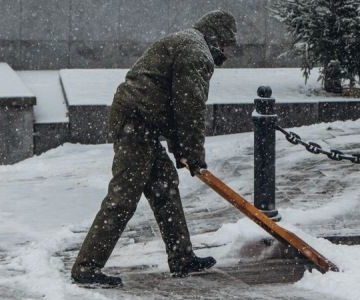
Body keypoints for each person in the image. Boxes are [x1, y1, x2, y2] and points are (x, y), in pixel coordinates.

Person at [70, 10, 238, 287]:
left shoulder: (188, 44)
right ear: (216, 38)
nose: (227, 53)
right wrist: (194, 154)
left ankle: (182, 257)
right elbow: (189, 107)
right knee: (123, 197)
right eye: (226, 46)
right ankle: (86, 268)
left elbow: (173, 104)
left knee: (165, 187)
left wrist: (180, 149)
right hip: (136, 124)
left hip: (140, 122)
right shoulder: (197, 53)